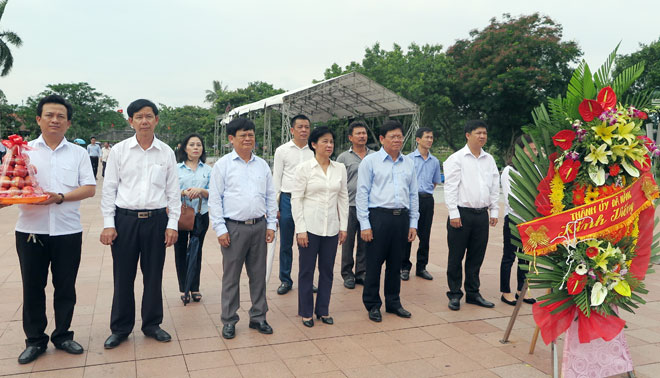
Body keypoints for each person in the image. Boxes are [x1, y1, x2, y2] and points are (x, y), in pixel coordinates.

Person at [14, 95, 96, 364]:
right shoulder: (23, 151)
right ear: (39, 119)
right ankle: (35, 340)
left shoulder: (79, 153)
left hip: (67, 231)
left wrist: (60, 196)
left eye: (60, 116)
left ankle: (62, 335)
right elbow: (10, 184)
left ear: (68, 123)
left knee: (65, 286)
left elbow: (89, 188)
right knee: (33, 287)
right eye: (49, 115)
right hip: (30, 230)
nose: (54, 120)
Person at [100, 99, 180, 349]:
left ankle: (152, 324)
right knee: (123, 276)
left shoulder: (166, 152)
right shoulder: (120, 151)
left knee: (153, 275)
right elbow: (109, 188)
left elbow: (173, 192)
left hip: (156, 221)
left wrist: (173, 224)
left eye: (148, 116)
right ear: (131, 121)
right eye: (138, 117)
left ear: (156, 119)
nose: (144, 121)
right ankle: (121, 328)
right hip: (125, 222)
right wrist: (108, 223)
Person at [208, 118, 277, 339]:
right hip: (233, 228)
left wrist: (271, 225)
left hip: (259, 226)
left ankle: (258, 317)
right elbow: (215, 200)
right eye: (242, 135)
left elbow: (270, 197)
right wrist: (220, 229)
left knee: (259, 275)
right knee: (231, 277)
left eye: (251, 135)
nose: (248, 139)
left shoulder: (263, 165)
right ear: (231, 139)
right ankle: (229, 319)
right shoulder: (223, 165)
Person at [356, 120, 418, 322]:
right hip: (378, 217)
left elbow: (413, 194)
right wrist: (365, 224)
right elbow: (362, 194)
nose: (398, 140)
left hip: (401, 218)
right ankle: (373, 304)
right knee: (373, 263)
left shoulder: (408, 162)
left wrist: (413, 223)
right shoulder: (370, 162)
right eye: (393, 136)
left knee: (395, 263)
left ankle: (393, 302)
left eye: (400, 136)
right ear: (382, 139)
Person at [292, 126, 349, 327]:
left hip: (331, 228)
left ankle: (323, 310)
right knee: (307, 271)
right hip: (309, 228)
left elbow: (343, 198)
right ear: (314, 144)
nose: (329, 145)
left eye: (331, 141)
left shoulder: (339, 168)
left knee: (327, 271)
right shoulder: (304, 169)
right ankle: (306, 311)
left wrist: (344, 227)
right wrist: (300, 229)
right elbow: (296, 199)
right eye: (324, 141)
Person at [443, 120, 499, 311]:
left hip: (481, 215)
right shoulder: (456, 159)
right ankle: (455, 294)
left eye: (484, 133)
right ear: (468, 135)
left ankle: (473, 293)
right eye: (478, 133)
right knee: (456, 256)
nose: (482, 136)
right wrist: (453, 214)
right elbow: (450, 188)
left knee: (477, 256)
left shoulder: (489, 159)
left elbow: (494, 186)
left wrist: (494, 210)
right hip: (461, 214)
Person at [272, 114, 313, 295]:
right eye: (300, 127)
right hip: (288, 199)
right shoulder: (282, 151)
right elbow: (276, 178)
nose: (303, 130)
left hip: (308, 200)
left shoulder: (314, 150)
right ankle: (285, 280)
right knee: (286, 242)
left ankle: (307, 280)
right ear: (292, 130)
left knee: (308, 243)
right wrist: (275, 206)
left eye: (306, 127)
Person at [174, 133, 211, 304]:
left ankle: (195, 287)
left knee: (197, 251)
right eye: (192, 145)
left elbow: (215, 193)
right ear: (185, 148)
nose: (196, 148)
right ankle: (184, 288)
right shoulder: (176, 169)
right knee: (180, 251)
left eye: (199, 145)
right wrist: (184, 192)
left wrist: (201, 191)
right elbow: (169, 191)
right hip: (181, 215)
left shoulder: (208, 170)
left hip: (200, 215)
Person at [500, 134, 537, 306]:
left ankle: (522, 289)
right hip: (514, 219)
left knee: (526, 258)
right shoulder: (510, 171)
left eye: (536, 150)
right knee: (509, 257)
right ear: (520, 150)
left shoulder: (536, 170)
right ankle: (505, 291)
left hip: (530, 221)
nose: (534, 153)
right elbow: (511, 199)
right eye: (531, 149)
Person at [401, 127, 442, 281]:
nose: (430, 140)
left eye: (431, 137)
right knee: (408, 234)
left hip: (427, 200)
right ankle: (404, 267)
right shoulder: (408, 159)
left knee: (425, 235)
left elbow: (435, 182)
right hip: (411, 200)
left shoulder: (435, 161)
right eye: (427, 137)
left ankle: (421, 267)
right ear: (418, 139)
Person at [336, 121, 374, 289]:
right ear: (350, 137)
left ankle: (361, 272)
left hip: (369, 205)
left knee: (366, 241)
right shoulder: (343, 158)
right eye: (358, 133)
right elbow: (338, 182)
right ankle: (347, 274)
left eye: (364, 133)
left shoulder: (374, 156)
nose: (362, 136)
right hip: (349, 205)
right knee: (348, 241)